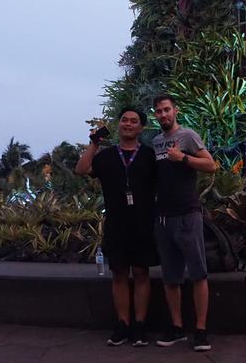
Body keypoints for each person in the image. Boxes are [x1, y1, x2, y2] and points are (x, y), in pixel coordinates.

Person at [75, 106, 158, 347]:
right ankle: (123, 324)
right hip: (116, 223)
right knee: (119, 274)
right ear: (119, 124)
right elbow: (81, 170)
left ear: (141, 127)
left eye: (134, 121)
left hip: (143, 223)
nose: (128, 124)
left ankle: (140, 325)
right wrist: (94, 143)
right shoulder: (106, 156)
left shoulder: (149, 155)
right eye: (124, 120)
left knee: (142, 273)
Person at [150, 94, 217, 352]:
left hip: (188, 214)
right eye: (159, 111)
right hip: (164, 218)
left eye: (166, 110)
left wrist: (184, 159)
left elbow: (211, 165)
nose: (163, 115)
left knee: (198, 273)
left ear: (175, 110)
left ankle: (200, 330)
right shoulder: (155, 142)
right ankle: (177, 328)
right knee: (171, 277)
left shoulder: (188, 136)